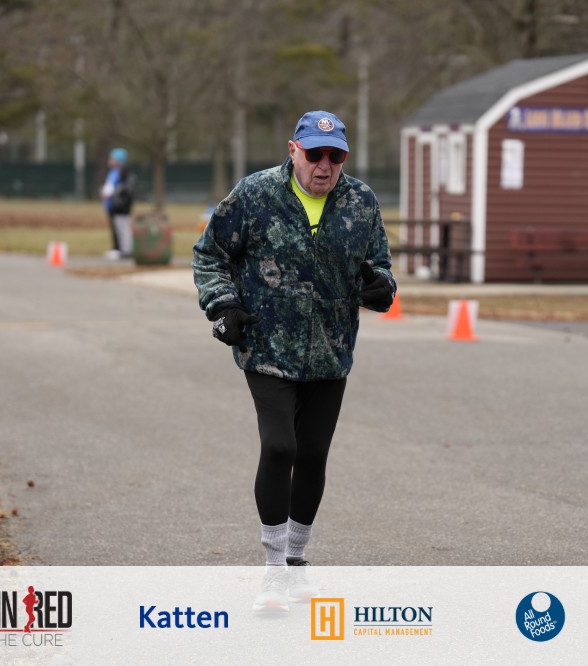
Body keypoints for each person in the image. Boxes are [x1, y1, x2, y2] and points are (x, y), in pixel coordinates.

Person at [193, 110, 396, 612]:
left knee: (312, 455)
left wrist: (381, 288)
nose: (324, 165)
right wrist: (223, 305)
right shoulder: (255, 195)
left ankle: (297, 560)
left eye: (335, 156)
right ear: (293, 150)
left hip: (330, 350)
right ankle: (273, 570)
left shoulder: (361, 202)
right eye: (314, 154)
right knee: (280, 445)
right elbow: (210, 254)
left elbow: (381, 270)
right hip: (267, 347)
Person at [100, 147, 134, 259]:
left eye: (112, 158)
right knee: (116, 229)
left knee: (123, 229)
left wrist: (115, 197)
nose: (110, 161)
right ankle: (117, 249)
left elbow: (124, 190)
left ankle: (125, 251)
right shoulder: (113, 173)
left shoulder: (124, 174)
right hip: (113, 206)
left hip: (121, 207)